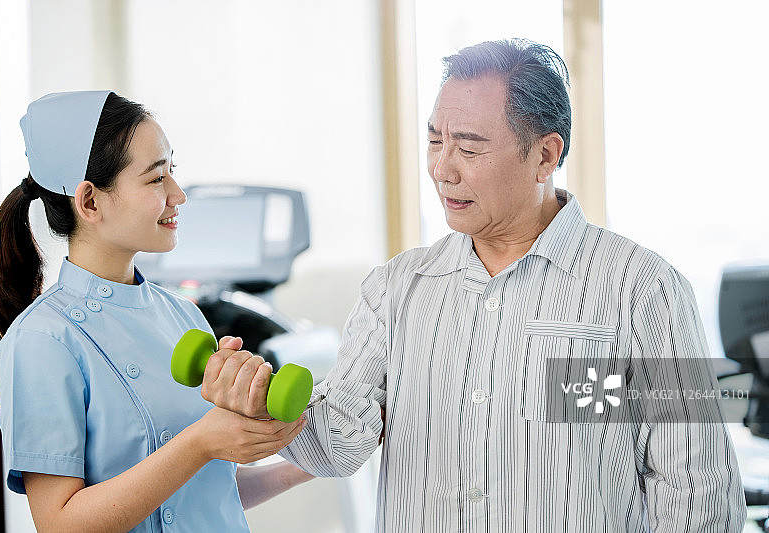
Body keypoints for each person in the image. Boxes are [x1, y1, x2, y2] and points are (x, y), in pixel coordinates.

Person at [203, 39, 748, 531]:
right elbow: (340, 446)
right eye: (435, 141)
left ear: (545, 155)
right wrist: (267, 404)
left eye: (468, 147)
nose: (442, 168)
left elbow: (698, 491)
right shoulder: (395, 289)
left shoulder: (644, 287)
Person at [0, 90, 312, 532]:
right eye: (156, 179)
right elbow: (61, 524)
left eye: (172, 172)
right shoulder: (42, 341)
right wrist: (201, 442)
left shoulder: (182, 316)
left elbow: (205, 492)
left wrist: (311, 462)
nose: (178, 195)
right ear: (91, 202)